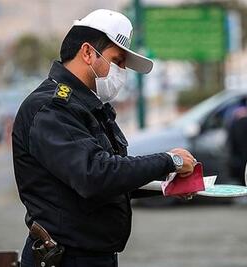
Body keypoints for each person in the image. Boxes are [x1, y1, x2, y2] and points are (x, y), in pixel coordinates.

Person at [12, 9, 197, 267]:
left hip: (92, 257)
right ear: (88, 53)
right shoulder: (52, 108)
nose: (122, 71)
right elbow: (95, 175)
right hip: (65, 258)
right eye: (118, 61)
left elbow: (111, 179)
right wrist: (170, 161)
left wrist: (167, 184)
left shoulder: (89, 107)